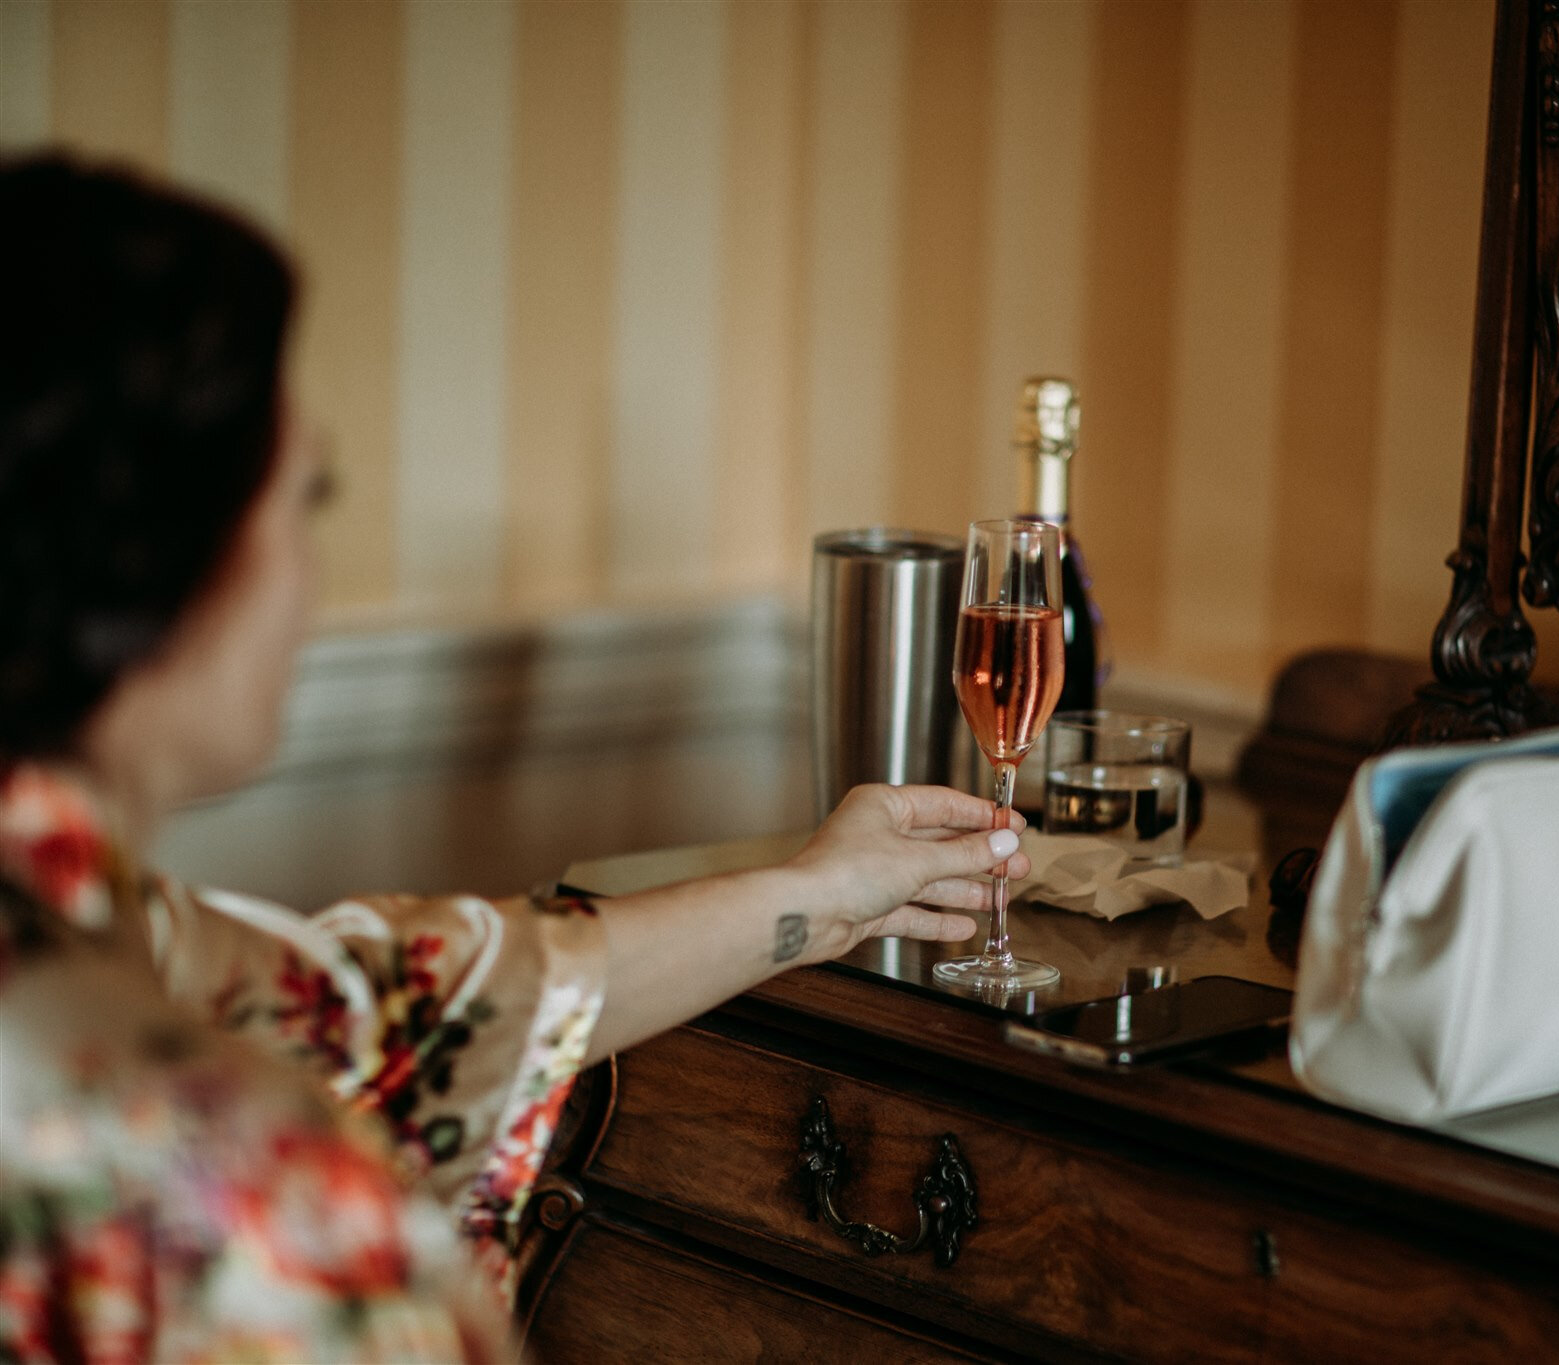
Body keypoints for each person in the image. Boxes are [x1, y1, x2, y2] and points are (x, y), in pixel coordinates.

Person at [0, 154, 1025, 1361]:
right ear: (162, 570)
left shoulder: (103, 929)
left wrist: (817, 898)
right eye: (306, 499)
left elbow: (378, 1005)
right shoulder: (236, 1196)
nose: (307, 570)